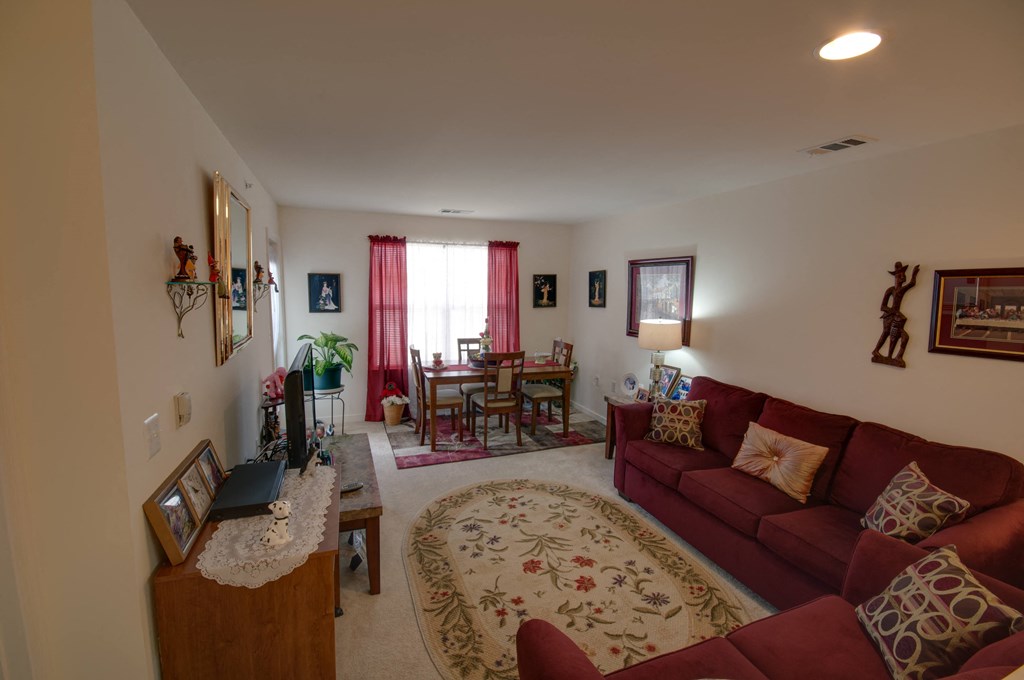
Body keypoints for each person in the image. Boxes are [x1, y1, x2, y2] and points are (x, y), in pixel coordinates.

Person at [871, 261, 919, 365]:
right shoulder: (891, 290)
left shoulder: (901, 290)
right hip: (889, 316)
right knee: (886, 333)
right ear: (896, 277)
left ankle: (897, 356)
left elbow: (912, 283)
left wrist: (914, 274)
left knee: (903, 336)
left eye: (903, 275)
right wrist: (894, 311)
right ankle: (876, 350)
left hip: (897, 316)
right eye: (900, 275)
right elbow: (882, 306)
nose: (903, 277)